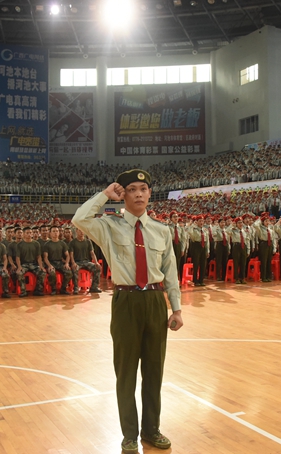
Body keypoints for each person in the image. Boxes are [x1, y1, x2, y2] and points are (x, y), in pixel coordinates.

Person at [72, 168, 182, 453]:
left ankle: (152, 430)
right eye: (131, 189)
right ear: (123, 195)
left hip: (155, 301)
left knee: (154, 371)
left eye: (143, 189)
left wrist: (177, 308)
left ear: (150, 194)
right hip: (126, 301)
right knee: (126, 372)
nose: (138, 194)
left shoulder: (161, 230)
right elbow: (79, 219)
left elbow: (170, 272)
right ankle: (129, 434)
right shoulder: (109, 226)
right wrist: (104, 196)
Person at [70, 228, 102, 293]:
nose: (81, 232)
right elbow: (71, 254)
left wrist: (96, 262)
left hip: (86, 262)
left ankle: (94, 287)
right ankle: (76, 288)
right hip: (77, 262)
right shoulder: (73, 242)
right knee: (75, 268)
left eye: (82, 230)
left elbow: (92, 253)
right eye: (79, 230)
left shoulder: (88, 241)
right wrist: (73, 263)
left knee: (97, 268)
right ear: (76, 231)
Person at [43, 226, 73, 295]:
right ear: (50, 233)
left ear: (59, 233)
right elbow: (45, 258)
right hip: (51, 262)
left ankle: (63, 288)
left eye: (57, 231)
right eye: (53, 231)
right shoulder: (47, 244)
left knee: (69, 273)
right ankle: (53, 289)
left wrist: (67, 263)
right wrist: (49, 266)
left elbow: (67, 255)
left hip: (60, 262)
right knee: (52, 272)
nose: (55, 233)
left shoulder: (62, 243)